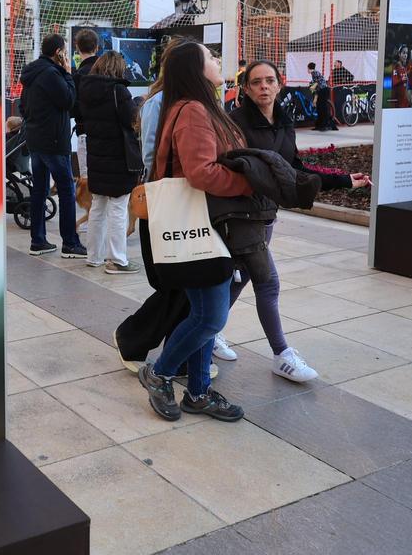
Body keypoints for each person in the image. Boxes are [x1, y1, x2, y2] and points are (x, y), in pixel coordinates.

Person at [220, 60, 372, 381]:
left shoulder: (284, 124)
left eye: (269, 81)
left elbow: (295, 170)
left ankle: (210, 330)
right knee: (268, 281)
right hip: (240, 214)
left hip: (266, 214)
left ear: (280, 84)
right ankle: (281, 354)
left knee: (243, 275)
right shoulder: (234, 123)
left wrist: (344, 180)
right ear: (245, 88)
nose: (263, 86)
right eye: (256, 82)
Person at [136, 42, 250, 423]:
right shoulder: (195, 111)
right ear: (196, 69)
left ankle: (198, 392)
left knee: (201, 312)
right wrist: (248, 182)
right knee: (211, 318)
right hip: (197, 225)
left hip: (199, 224)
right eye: (211, 58)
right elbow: (201, 173)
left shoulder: (189, 106)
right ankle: (160, 373)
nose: (218, 61)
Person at [19, 33, 87, 258]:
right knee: (66, 189)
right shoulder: (52, 73)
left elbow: (23, 107)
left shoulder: (32, 72)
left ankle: (38, 241)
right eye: (65, 50)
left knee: (40, 189)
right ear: (58, 52)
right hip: (54, 141)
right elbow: (68, 100)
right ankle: (70, 243)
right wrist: (68, 74)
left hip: (36, 140)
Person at [77, 51, 141, 273]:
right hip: (118, 157)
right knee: (118, 208)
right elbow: (132, 119)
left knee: (98, 207)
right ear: (117, 68)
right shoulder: (119, 91)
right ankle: (117, 260)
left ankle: (93, 256)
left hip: (97, 155)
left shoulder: (86, 90)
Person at [72, 28, 101, 176]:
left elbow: (73, 108)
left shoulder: (78, 76)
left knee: (88, 184)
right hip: (109, 136)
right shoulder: (107, 72)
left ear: (77, 48)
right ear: (97, 47)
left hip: (86, 133)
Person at [308, 61, 335, 130]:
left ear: (309, 68)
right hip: (322, 90)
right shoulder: (315, 73)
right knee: (319, 108)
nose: (307, 70)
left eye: (307, 68)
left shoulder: (314, 73)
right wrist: (315, 98)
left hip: (324, 90)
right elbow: (317, 86)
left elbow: (317, 84)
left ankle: (325, 125)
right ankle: (319, 125)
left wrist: (312, 87)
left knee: (323, 109)